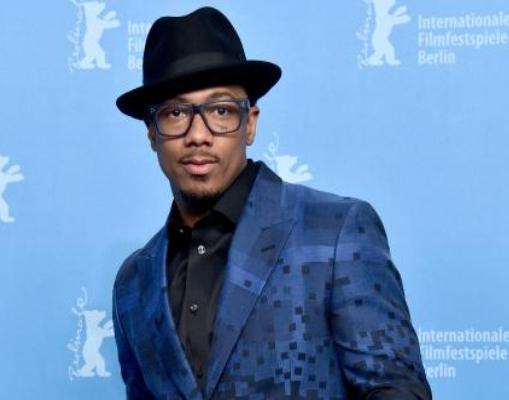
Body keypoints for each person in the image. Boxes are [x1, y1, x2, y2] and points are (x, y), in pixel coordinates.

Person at [112, 6, 431, 400]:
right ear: (152, 133)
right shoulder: (133, 281)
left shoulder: (335, 233)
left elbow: (396, 391)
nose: (198, 134)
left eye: (220, 110)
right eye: (176, 113)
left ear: (250, 124)